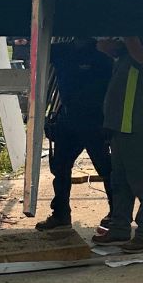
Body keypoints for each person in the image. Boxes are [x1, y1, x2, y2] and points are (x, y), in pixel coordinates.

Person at [35, 37, 113, 232]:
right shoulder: (62, 52)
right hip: (69, 119)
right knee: (61, 168)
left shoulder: (102, 56)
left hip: (95, 121)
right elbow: (37, 46)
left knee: (107, 169)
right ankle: (61, 214)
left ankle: (117, 215)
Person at [92, 36, 143, 252]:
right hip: (119, 130)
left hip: (137, 130)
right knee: (120, 182)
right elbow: (107, 48)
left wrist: (125, 29)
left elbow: (132, 44)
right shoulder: (121, 59)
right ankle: (120, 228)